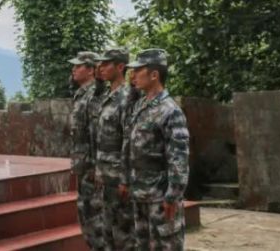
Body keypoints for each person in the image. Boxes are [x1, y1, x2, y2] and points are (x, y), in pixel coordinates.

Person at [121, 49, 190, 250]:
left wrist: (173, 196)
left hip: (160, 197)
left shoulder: (170, 111)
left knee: (166, 245)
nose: (132, 75)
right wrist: (126, 179)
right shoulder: (141, 105)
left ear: (154, 75)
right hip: (140, 193)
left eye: (138, 70)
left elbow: (179, 158)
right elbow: (129, 145)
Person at [95, 48, 134, 250]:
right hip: (106, 177)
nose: (100, 68)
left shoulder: (127, 98)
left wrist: (125, 178)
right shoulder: (106, 96)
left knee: (124, 234)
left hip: (119, 178)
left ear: (120, 67)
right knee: (107, 231)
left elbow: (129, 141)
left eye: (106, 64)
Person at [69, 50, 104, 249]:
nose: (74, 69)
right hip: (83, 167)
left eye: (78, 66)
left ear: (91, 70)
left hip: (92, 169)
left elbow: (98, 135)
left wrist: (95, 168)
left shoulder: (94, 95)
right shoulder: (81, 94)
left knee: (95, 220)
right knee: (85, 217)